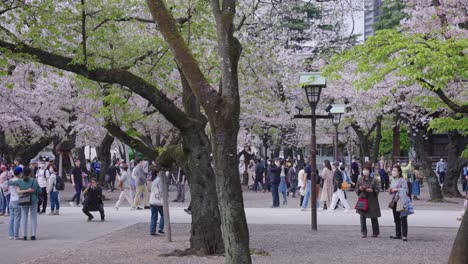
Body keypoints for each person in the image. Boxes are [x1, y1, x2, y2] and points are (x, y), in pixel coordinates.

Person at [9, 166, 41, 240]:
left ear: (22, 173)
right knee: (33, 218)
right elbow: (39, 191)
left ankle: (24, 235)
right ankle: (33, 235)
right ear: (30, 173)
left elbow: (9, 183)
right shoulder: (34, 181)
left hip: (23, 201)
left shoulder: (19, 181)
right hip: (33, 201)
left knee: (24, 217)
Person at [355, 164, 381, 238]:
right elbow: (356, 188)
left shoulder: (374, 179)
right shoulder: (360, 179)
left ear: (370, 171)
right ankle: (363, 232)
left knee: (373, 216)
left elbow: (377, 189)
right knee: (362, 216)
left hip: (372, 199)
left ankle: (375, 232)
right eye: (364, 169)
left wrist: (372, 190)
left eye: (367, 170)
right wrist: (360, 189)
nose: (365, 171)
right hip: (363, 199)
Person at [389, 165, 411, 241]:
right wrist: (391, 190)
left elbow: (406, 190)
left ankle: (404, 235)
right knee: (396, 218)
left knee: (403, 218)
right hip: (395, 201)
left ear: (399, 172)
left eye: (395, 170)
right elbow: (391, 190)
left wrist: (397, 189)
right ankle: (398, 234)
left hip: (402, 201)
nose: (393, 172)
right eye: (392, 170)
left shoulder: (403, 180)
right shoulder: (392, 180)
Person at [8, 166, 22, 240]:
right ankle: (16, 235)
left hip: (11, 200)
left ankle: (11, 235)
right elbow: (18, 191)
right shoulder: (18, 181)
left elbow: (9, 191)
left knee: (11, 218)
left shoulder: (11, 180)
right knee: (17, 218)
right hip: (17, 200)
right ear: (20, 173)